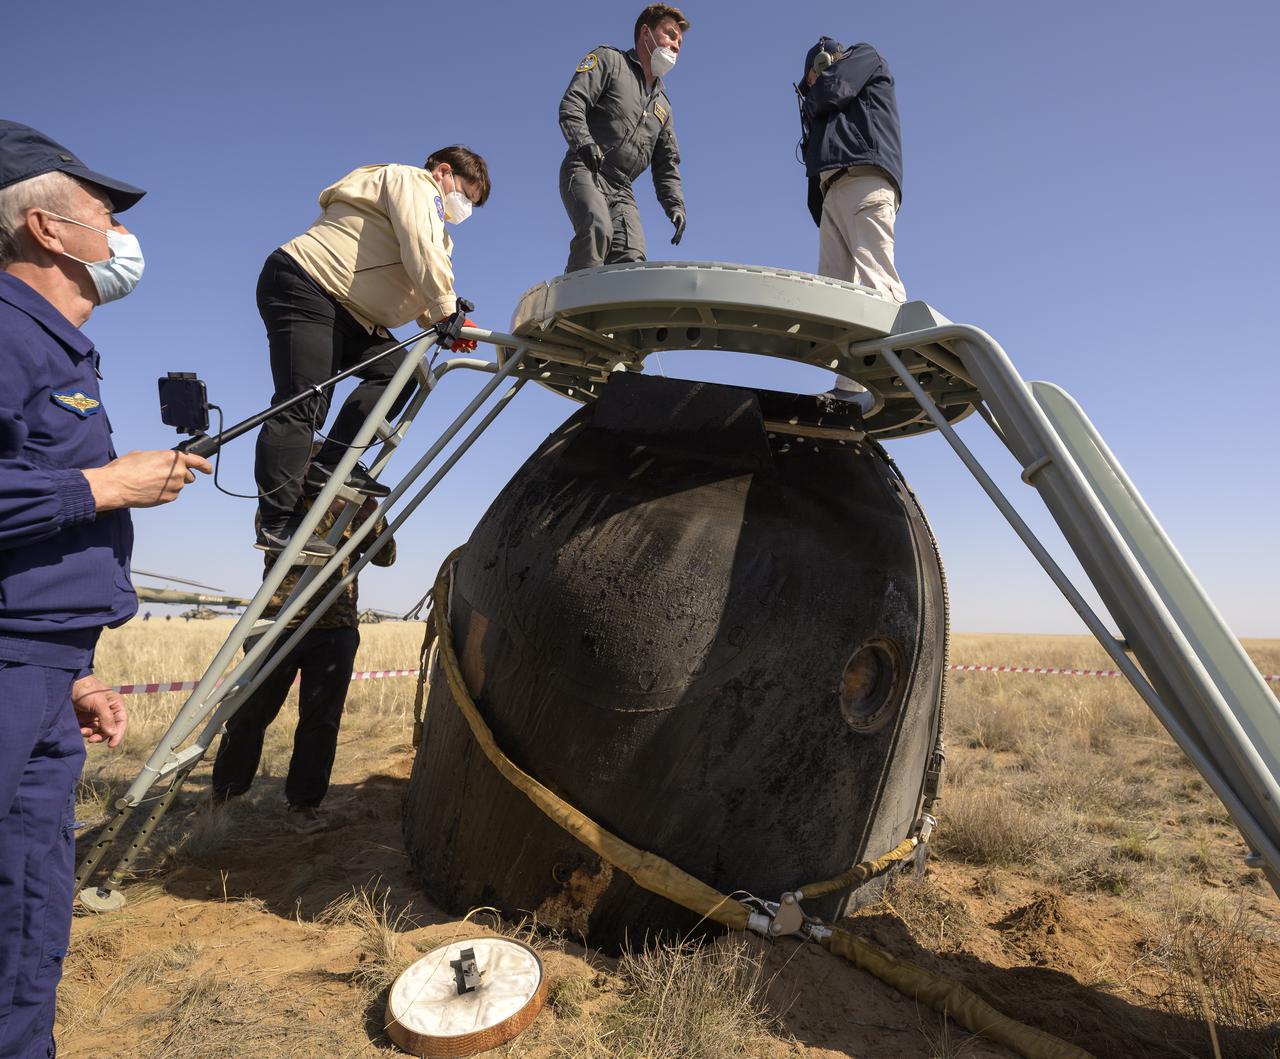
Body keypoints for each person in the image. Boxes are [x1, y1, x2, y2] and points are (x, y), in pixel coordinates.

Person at [0, 119, 210, 1059]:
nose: (121, 236)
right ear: (47, 229)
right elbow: (68, 495)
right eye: (104, 215)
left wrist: (78, 670)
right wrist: (104, 484)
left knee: (30, 901)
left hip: (43, 674)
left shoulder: (63, 352)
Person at [253, 148, 490, 558]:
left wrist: (447, 322)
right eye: (466, 194)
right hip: (311, 285)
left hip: (352, 313)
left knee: (400, 373)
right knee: (303, 401)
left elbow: (416, 284)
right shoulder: (413, 183)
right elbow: (419, 246)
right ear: (444, 171)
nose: (465, 207)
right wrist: (446, 309)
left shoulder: (439, 229)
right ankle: (278, 522)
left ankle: (330, 464)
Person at [212, 493, 394, 833]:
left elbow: (385, 556)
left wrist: (373, 516)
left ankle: (304, 805)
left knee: (321, 721)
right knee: (249, 713)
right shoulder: (284, 500)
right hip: (280, 623)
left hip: (335, 628)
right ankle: (224, 795)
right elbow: (279, 543)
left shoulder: (356, 508)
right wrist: (330, 509)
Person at [797, 37, 905, 395]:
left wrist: (816, 85)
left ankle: (894, 367)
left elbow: (832, 89)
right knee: (835, 294)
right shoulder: (822, 102)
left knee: (876, 276)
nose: (810, 87)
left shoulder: (864, 56)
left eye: (813, 75)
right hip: (834, 190)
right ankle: (851, 386)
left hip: (863, 179)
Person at [558, 4, 689, 273]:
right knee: (597, 227)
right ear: (646, 33)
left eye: (679, 42)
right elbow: (572, 104)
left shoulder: (663, 106)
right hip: (586, 169)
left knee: (632, 258)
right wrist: (584, 143)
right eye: (670, 35)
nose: (676, 46)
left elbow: (666, 165)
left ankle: (613, 315)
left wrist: (675, 205)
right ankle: (577, 310)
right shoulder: (609, 61)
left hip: (622, 189)